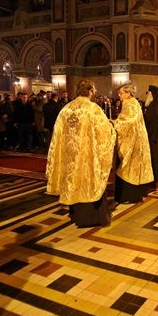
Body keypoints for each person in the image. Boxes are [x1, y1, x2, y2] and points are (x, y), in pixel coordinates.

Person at [46, 80, 116, 227]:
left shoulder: (66, 109)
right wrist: (112, 129)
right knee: (88, 184)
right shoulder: (93, 109)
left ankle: (76, 214)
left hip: (69, 158)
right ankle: (92, 218)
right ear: (90, 92)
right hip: (87, 157)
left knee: (72, 182)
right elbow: (104, 133)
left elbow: (56, 136)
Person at [112, 84, 154, 203]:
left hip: (132, 140)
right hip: (136, 138)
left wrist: (114, 124)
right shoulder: (133, 102)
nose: (119, 95)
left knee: (127, 167)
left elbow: (130, 120)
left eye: (121, 93)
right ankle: (132, 195)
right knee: (131, 167)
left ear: (128, 93)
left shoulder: (129, 103)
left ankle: (127, 196)